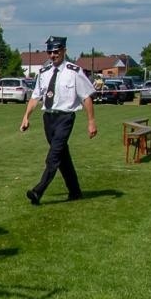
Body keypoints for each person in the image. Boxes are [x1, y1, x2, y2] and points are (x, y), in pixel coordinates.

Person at [21, 35, 97, 204]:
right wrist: (26, 117)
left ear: (64, 51)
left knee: (53, 156)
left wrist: (91, 121)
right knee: (62, 156)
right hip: (48, 118)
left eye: (56, 51)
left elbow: (86, 97)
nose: (53, 55)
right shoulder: (43, 72)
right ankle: (75, 191)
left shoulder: (74, 72)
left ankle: (37, 191)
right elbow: (35, 97)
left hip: (65, 117)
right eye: (50, 52)